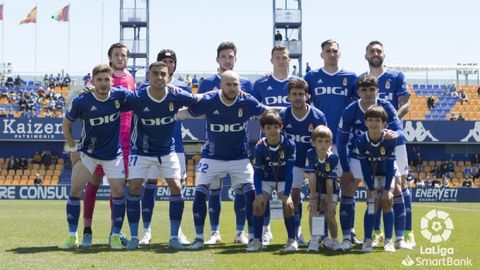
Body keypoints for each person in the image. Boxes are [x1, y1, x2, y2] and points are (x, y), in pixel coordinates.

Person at [181, 70, 267, 250]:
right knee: (200, 192)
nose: (232, 88)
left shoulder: (247, 101)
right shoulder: (210, 100)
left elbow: (267, 114)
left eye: (235, 84)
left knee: (252, 194)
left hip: (240, 158)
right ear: (221, 85)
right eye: (228, 84)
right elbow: (186, 112)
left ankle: (251, 237)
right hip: (212, 157)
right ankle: (199, 238)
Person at [122, 61, 199, 250]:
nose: (159, 77)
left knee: (176, 187)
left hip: (167, 150)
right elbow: (115, 99)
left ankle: (174, 236)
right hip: (141, 151)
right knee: (133, 188)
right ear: (149, 76)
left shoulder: (176, 95)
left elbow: (198, 101)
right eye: (155, 73)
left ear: (168, 76)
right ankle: (134, 236)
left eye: (162, 74)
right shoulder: (139, 97)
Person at [59, 64, 130, 250]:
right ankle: (73, 236)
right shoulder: (82, 100)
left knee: (119, 193)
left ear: (112, 80)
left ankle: (115, 235)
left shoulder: (119, 95)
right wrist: (73, 150)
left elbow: (142, 98)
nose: (104, 83)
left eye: (107, 79)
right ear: (93, 81)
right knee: (75, 190)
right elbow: (66, 126)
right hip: (88, 154)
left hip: (113, 155)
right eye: (99, 79)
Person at [336, 75, 408, 251]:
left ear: (378, 90)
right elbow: (341, 141)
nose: (368, 93)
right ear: (358, 91)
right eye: (364, 90)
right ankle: (347, 236)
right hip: (359, 154)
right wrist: (345, 168)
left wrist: (395, 135)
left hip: (385, 154)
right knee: (348, 188)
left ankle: (399, 238)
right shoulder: (350, 110)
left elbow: (401, 133)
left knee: (397, 190)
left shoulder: (387, 107)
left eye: (371, 89)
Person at [197, 42, 253, 245]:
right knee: (214, 189)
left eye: (231, 56)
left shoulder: (245, 83)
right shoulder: (206, 83)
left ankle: (240, 232)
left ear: (235, 59)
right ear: (217, 59)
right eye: (223, 57)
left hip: (239, 147)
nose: (227, 60)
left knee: (241, 190)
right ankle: (215, 233)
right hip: (214, 147)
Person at [81, 43, 136, 247]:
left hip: (124, 141)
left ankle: (116, 231)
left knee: (118, 188)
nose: (120, 58)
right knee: (93, 183)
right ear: (110, 57)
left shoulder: (130, 79)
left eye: (124, 55)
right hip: (100, 139)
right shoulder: (99, 78)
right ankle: (87, 230)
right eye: (116, 55)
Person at [304, 39, 359, 244]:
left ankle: (348, 231)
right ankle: (321, 235)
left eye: (335, 51)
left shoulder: (351, 77)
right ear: (322, 55)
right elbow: (299, 94)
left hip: (343, 141)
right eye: (328, 51)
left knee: (346, 188)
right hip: (320, 142)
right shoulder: (311, 76)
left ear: (340, 54)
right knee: (319, 191)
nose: (332, 54)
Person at [136, 49, 192, 246]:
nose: (167, 64)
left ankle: (177, 232)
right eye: (163, 61)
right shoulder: (144, 88)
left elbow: (193, 107)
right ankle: (146, 232)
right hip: (149, 147)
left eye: (170, 61)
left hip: (174, 145)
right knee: (149, 187)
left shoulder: (182, 87)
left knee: (177, 188)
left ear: (174, 65)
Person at [364, 40, 413, 249]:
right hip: (371, 140)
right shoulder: (362, 80)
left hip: (394, 137)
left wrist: (389, 122)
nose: (375, 54)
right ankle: (375, 233)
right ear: (365, 55)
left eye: (379, 51)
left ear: (384, 54)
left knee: (401, 185)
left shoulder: (396, 76)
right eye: (372, 51)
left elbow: (406, 104)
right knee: (373, 188)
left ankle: (407, 234)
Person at [252, 45, 295, 244]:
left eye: (284, 57)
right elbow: (255, 110)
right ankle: (263, 233)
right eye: (277, 57)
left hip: (289, 143)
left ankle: (295, 235)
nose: (281, 60)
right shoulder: (261, 84)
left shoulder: (297, 83)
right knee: (261, 197)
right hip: (267, 142)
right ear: (271, 60)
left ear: (289, 60)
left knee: (292, 195)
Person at [280, 78, 327, 246]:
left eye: (301, 94)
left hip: (314, 163)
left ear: (307, 96)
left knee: (321, 200)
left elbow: (324, 143)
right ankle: (296, 233)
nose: (298, 97)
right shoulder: (283, 116)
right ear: (288, 96)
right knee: (293, 197)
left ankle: (320, 236)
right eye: (294, 94)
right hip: (293, 164)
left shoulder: (317, 116)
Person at [246, 111, 297, 252]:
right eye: (268, 127)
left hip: (282, 180)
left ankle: (292, 240)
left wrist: (287, 195)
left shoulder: (289, 145)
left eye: (275, 127)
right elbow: (257, 173)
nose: (272, 131)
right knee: (258, 205)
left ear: (281, 127)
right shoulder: (260, 146)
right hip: (266, 180)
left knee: (288, 206)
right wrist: (258, 194)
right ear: (263, 129)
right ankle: (257, 241)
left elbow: (289, 172)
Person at [355, 105, 398, 252]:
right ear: (365, 122)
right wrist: (371, 189)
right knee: (372, 204)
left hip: (387, 173)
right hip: (372, 175)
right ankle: (367, 240)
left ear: (384, 123)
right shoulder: (360, 141)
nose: (374, 123)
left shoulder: (390, 139)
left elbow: (391, 166)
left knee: (387, 202)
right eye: (370, 120)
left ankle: (388, 241)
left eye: (377, 120)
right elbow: (364, 167)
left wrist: (386, 190)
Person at [306, 125, 341, 252]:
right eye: (320, 141)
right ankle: (314, 241)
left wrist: (331, 202)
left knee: (330, 214)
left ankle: (335, 240)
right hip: (315, 189)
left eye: (327, 141)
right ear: (313, 142)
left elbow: (329, 182)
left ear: (331, 143)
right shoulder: (310, 154)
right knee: (313, 212)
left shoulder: (333, 158)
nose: (323, 145)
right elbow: (312, 176)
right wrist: (313, 197)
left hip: (331, 190)